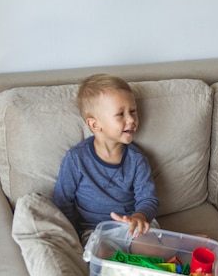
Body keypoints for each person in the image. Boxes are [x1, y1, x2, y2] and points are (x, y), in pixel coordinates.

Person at [53, 74, 159, 242]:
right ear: (95, 124)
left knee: (151, 247)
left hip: (133, 227)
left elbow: (148, 198)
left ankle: (176, 248)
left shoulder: (137, 159)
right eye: (120, 114)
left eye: (132, 111)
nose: (131, 119)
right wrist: (72, 235)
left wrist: (140, 216)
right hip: (95, 231)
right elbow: (62, 202)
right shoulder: (76, 159)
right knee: (101, 256)